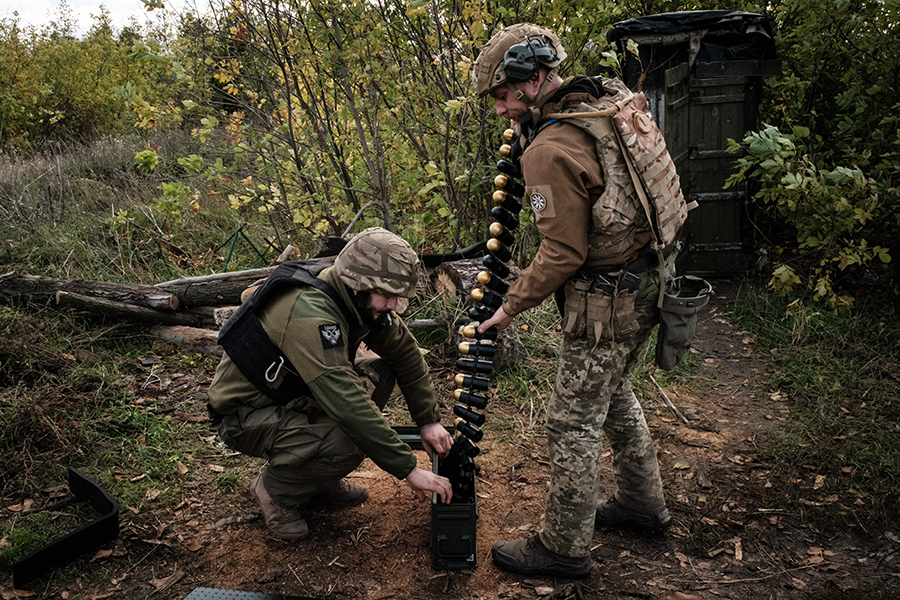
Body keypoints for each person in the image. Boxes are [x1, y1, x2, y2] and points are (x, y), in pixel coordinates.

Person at [472, 23, 674, 577]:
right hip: (650, 286)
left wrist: (510, 304)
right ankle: (642, 503)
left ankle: (562, 548)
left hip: (607, 304)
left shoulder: (551, 147)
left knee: (572, 421)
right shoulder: (603, 106)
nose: (500, 111)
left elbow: (561, 254)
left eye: (504, 96)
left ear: (535, 80)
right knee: (613, 396)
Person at [207, 227, 454, 542]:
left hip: (292, 394)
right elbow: (347, 403)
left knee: (382, 374)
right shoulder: (311, 314)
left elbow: (405, 353)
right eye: (387, 294)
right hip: (245, 414)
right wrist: (408, 468)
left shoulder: (359, 302)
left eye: (398, 296)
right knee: (351, 441)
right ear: (357, 283)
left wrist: (428, 421)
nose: (394, 305)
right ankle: (276, 491)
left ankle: (317, 478)